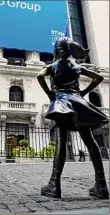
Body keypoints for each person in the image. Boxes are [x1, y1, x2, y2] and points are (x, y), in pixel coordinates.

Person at [37, 37, 109, 199]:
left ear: (57, 50)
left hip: (62, 103)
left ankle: (54, 184)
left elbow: (40, 76)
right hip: (79, 104)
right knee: (90, 141)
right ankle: (102, 185)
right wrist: (83, 93)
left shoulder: (54, 66)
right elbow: (99, 78)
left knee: (61, 141)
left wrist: (50, 94)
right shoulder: (76, 66)